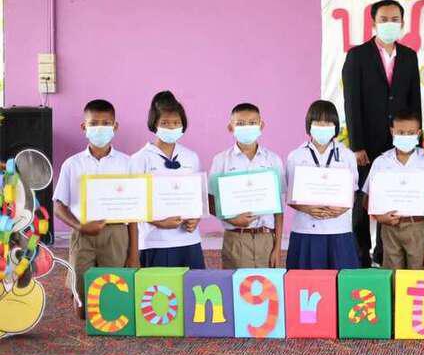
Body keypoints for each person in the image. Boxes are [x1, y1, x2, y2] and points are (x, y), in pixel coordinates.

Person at [342, 0, 422, 267]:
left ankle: (384, 253)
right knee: (363, 200)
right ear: (374, 23)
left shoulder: (409, 56)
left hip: (400, 141)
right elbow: (351, 102)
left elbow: (414, 100)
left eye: (395, 19)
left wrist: (415, 141)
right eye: (384, 19)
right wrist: (357, 145)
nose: (390, 24)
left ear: (402, 22)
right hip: (367, 142)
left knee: (395, 197)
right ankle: (361, 254)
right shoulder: (357, 56)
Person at [52, 99, 136, 317]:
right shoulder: (72, 164)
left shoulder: (128, 163)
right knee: (81, 301)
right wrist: (80, 226)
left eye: (106, 123)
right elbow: (58, 205)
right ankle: (85, 320)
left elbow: (134, 211)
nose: (100, 128)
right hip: (83, 233)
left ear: (115, 127)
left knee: (114, 292)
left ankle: (110, 326)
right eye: (94, 123)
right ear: (84, 127)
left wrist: (133, 252)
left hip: (116, 234)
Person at [130, 90, 204, 269]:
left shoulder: (191, 157)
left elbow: (198, 196)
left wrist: (196, 219)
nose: (171, 127)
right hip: (155, 242)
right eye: (165, 123)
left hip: (189, 240)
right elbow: (132, 204)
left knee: (193, 285)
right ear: (154, 124)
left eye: (176, 123)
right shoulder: (140, 158)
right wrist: (159, 222)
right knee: (158, 287)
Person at [285, 100, 359, 270]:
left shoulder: (347, 155)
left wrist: (342, 209)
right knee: (306, 281)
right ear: (309, 125)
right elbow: (290, 196)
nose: (323, 127)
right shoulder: (296, 156)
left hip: (339, 230)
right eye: (318, 122)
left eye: (328, 123)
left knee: (340, 280)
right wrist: (306, 208)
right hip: (305, 230)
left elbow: (353, 192)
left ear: (336, 126)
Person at [208, 103, 284, 269]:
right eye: (240, 124)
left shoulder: (273, 160)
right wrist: (232, 219)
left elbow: (279, 208)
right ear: (230, 127)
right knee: (235, 284)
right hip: (235, 239)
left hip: (266, 240)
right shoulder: (221, 160)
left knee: (269, 285)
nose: (247, 127)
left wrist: (277, 247)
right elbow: (210, 202)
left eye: (252, 123)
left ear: (261, 126)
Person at [362, 109, 424, 270]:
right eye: (401, 132)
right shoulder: (381, 162)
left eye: (411, 133)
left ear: (418, 133)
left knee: (417, 275)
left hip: (418, 227)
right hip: (389, 228)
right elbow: (367, 200)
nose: (405, 136)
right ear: (392, 132)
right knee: (392, 274)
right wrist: (380, 217)